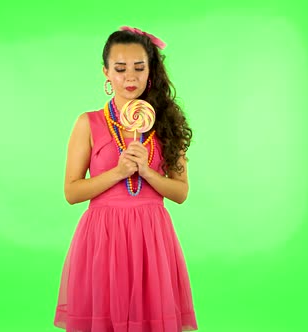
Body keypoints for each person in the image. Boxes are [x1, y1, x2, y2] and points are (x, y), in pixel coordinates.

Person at [54, 26, 198, 332]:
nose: (129, 77)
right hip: (102, 237)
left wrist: (146, 172)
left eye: (138, 67)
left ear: (151, 71)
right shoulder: (87, 122)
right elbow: (72, 191)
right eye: (119, 69)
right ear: (106, 72)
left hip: (151, 236)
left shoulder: (166, 122)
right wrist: (118, 172)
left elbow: (180, 192)